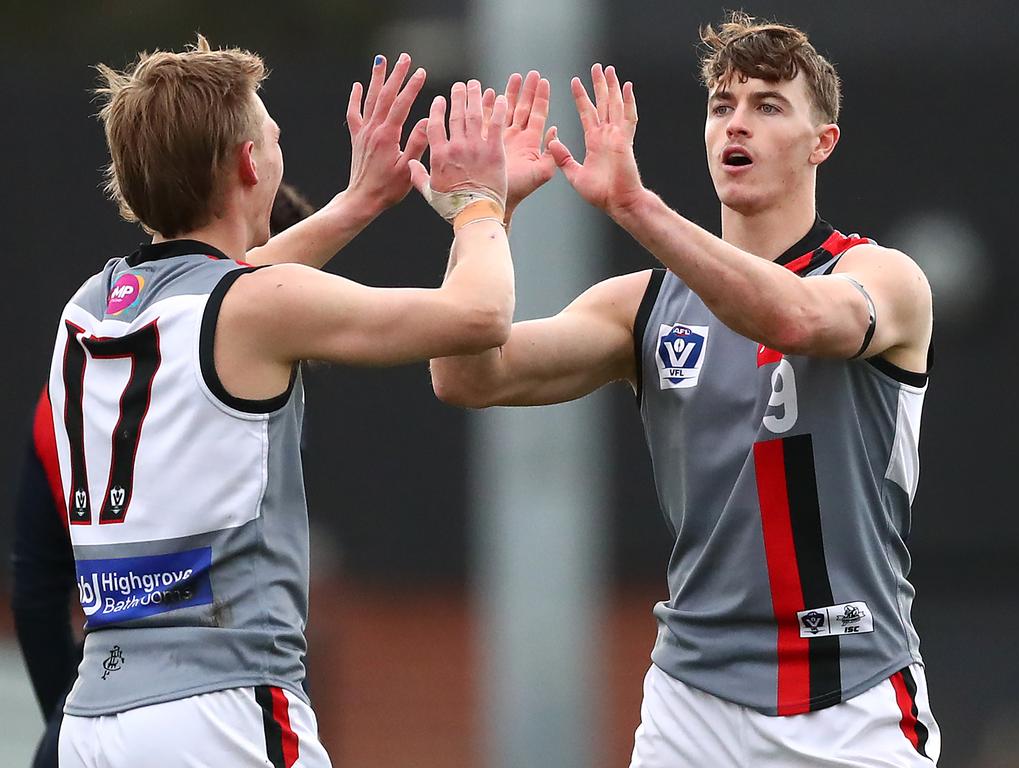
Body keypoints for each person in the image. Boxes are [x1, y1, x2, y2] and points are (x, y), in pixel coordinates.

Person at [431, 12, 940, 766]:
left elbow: (795, 318)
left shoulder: (880, 276)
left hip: (849, 690)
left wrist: (636, 207)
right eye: (722, 106)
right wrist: (485, 210)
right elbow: (466, 374)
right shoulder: (642, 305)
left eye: (769, 105)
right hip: (693, 700)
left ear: (820, 143)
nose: (739, 124)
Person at [48, 36, 514, 767]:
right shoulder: (249, 306)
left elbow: (226, 287)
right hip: (219, 709)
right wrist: (480, 205)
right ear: (248, 164)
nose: (277, 150)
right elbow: (482, 314)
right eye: (272, 137)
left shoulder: (90, 307)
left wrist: (357, 203)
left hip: (95, 717)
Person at [12, 182, 316, 768]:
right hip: (213, 698)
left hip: (98, 714)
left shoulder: (83, 353)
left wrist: (68, 721)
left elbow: (34, 579)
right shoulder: (233, 363)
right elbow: (473, 317)